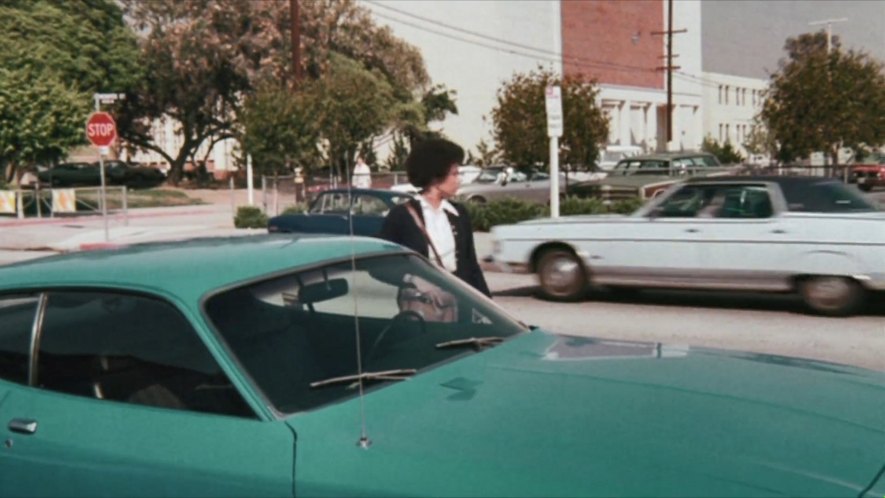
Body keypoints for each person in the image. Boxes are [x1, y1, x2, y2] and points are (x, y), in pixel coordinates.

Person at [379, 138, 491, 297]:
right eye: (454, 174)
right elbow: (382, 268)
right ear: (436, 176)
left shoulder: (459, 214)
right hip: (422, 307)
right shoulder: (402, 216)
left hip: (459, 304)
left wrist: (489, 308)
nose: (458, 180)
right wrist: (412, 280)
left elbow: (472, 267)